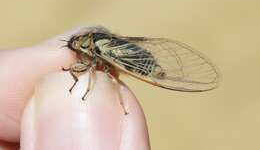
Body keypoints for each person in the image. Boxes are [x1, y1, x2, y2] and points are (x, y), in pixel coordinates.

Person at [0, 26, 150, 150]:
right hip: (124, 51)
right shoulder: (88, 53)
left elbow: (92, 70)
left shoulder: (98, 51)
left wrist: (86, 91)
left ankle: (121, 102)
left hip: (134, 60)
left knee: (109, 79)